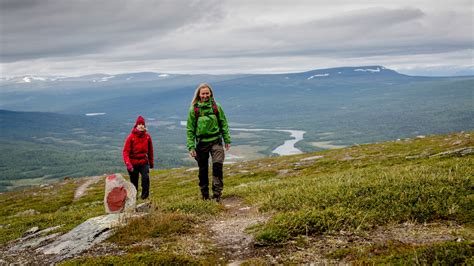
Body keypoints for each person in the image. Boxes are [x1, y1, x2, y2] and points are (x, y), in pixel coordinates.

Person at [187, 83, 231, 202]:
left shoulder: (217, 107)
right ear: (199, 95)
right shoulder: (194, 109)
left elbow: (223, 124)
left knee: (217, 167)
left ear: (210, 94)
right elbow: (190, 129)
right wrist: (191, 146)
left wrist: (227, 140)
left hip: (216, 141)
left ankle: (217, 195)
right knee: (203, 170)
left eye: (207, 93)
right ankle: (205, 195)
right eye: (203, 93)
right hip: (201, 144)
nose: (205, 95)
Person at [122, 115, 154, 200]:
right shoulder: (131, 137)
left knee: (145, 178)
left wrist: (151, 163)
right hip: (133, 163)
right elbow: (125, 152)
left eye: (143, 124)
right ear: (136, 125)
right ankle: (134, 198)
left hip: (143, 161)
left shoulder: (147, 136)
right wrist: (128, 164)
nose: (141, 125)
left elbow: (150, 151)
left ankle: (144, 197)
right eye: (139, 124)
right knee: (134, 182)